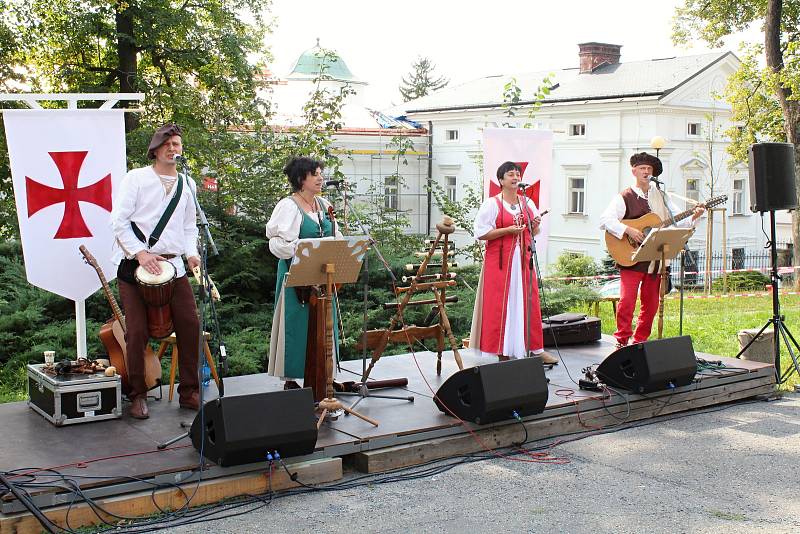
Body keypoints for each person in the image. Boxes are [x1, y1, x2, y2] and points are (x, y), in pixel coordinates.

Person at [111, 123, 201, 419]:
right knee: (136, 332)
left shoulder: (188, 184)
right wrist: (140, 253)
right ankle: (137, 394)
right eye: (168, 144)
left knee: (190, 325)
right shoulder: (136, 178)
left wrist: (192, 253)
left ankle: (189, 391)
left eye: (177, 144)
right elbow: (119, 222)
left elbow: (189, 226)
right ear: (156, 149)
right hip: (135, 267)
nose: (173, 149)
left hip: (174, 267)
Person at [599, 152, 705, 348]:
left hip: (654, 257)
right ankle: (622, 341)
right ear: (634, 171)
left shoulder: (661, 196)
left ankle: (640, 341)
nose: (646, 172)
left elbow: (676, 219)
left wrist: (695, 215)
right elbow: (605, 220)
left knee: (651, 304)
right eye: (642, 169)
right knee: (627, 301)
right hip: (631, 256)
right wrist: (629, 229)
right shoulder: (625, 196)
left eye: (649, 169)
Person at [266, 156, 343, 396]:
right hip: (296, 277)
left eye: (321, 173)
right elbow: (276, 244)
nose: (321, 178)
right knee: (297, 324)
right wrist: (305, 248)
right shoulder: (289, 206)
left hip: (323, 277)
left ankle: (325, 375)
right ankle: (292, 379)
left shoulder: (323, 204)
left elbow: (336, 236)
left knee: (324, 323)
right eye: (315, 174)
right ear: (301, 179)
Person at [469, 161, 559, 365]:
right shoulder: (492, 204)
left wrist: (535, 225)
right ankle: (503, 350)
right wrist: (507, 231)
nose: (516, 177)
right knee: (503, 304)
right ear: (501, 180)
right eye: (510, 174)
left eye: (517, 174)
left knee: (528, 302)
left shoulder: (527, 203)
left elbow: (534, 232)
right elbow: (481, 233)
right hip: (500, 263)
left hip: (523, 260)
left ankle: (535, 349)